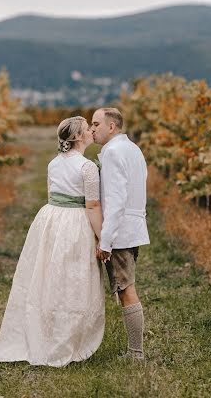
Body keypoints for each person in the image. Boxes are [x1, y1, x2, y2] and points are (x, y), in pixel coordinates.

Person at [0, 116, 105, 367]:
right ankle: (66, 336)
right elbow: (93, 204)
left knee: (50, 275)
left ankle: (46, 329)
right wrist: (102, 237)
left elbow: (51, 194)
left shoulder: (54, 163)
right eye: (87, 129)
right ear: (78, 137)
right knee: (73, 278)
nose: (91, 131)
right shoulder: (87, 167)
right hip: (75, 223)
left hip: (51, 219)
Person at [91, 107, 150, 361]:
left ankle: (135, 352)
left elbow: (115, 200)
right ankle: (134, 351)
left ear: (111, 127)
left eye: (95, 124)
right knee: (125, 287)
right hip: (133, 226)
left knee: (126, 289)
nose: (91, 129)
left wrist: (106, 240)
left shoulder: (114, 153)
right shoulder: (133, 149)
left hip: (120, 231)